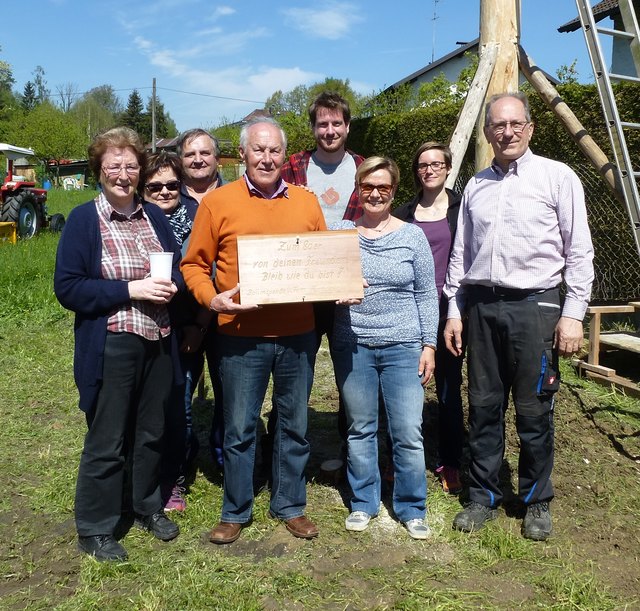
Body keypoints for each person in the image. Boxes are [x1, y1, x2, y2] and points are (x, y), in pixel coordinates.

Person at [443, 92, 594, 541]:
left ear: (529, 128)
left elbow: (579, 251)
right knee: (484, 407)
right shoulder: (476, 185)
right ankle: (483, 496)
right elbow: (460, 254)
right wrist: (454, 309)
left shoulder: (557, 177)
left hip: (537, 307)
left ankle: (536, 500)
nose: (506, 132)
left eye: (515, 124)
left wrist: (572, 314)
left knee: (534, 409)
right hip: (483, 307)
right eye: (497, 126)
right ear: (487, 132)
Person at [181, 118, 327, 544]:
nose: (267, 158)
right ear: (242, 154)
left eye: (274, 151)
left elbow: (323, 259)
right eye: (258, 150)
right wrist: (212, 299)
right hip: (239, 335)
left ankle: (290, 505)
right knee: (240, 428)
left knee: (294, 423)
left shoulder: (305, 202)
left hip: (298, 334)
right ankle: (235, 510)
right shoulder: (219, 202)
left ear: (286, 155)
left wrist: (340, 284)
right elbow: (192, 264)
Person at [54, 127, 183, 562]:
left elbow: (177, 272)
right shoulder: (84, 220)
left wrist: (171, 287)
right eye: (114, 166)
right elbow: (69, 288)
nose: (123, 175)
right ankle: (95, 527)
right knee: (107, 437)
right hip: (113, 342)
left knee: (151, 431)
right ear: (99, 170)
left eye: (131, 166)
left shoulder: (155, 217)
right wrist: (131, 289)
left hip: (159, 340)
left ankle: (147, 506)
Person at [331, 156, 439, 539]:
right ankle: (364, 502)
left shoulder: (412, 236)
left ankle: (411, 507)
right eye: (368, 186)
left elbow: (427, 293)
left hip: (403, 345)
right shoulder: (340, 232)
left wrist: (429, 344)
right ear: (357, 190)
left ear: (394, 191)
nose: (375, 193)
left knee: (408, 430)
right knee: (360, 428)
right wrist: (333, 294)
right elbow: (320, 279)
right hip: (354, 343)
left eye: (384, 187)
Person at [274, 91, 365, 460]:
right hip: (304, 283)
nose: (330, 130)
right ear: (313, 127)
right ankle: (283, 445)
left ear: (347, 126)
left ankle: (351, 447)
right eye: (322, 124)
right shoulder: (292, 167)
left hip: (347, 279)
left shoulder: (363, 167)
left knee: (352, 369)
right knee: (296, 369)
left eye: (336, 123)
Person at [393, 142, 465, 495]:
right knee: (404, 387)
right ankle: (401, 458)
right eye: (423, 164)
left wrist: (458, 309)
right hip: (408, 310)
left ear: (448, 168)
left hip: (449, 310)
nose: (430, 169)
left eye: (437, 163)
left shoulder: (461, 208)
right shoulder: (404, 213)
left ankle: (450, 460)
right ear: (416, 171)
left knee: (449, 389)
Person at [143, 150, 212, 512]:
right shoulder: (137, 221)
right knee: (148, 406)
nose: (165, 191)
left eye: (172, 184)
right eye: (155, 187)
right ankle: (143, 474)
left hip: (186, 327)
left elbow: (211, 272)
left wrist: (199, 326)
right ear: (143, 189)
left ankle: (175, 479)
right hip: (143, 327)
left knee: (180, 405)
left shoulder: (198, 216)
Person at [176, 128, 226, 469]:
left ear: (217, 159)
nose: (198, 159)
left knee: (230, 394)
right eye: (191, 154)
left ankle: (225, 460)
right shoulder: (163, 196)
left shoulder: (239, 196)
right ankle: (182, 460)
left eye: (205, 153)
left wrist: (203, 321)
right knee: (179, 393)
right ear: (181, 162)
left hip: (226, 316)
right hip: (179, 316)